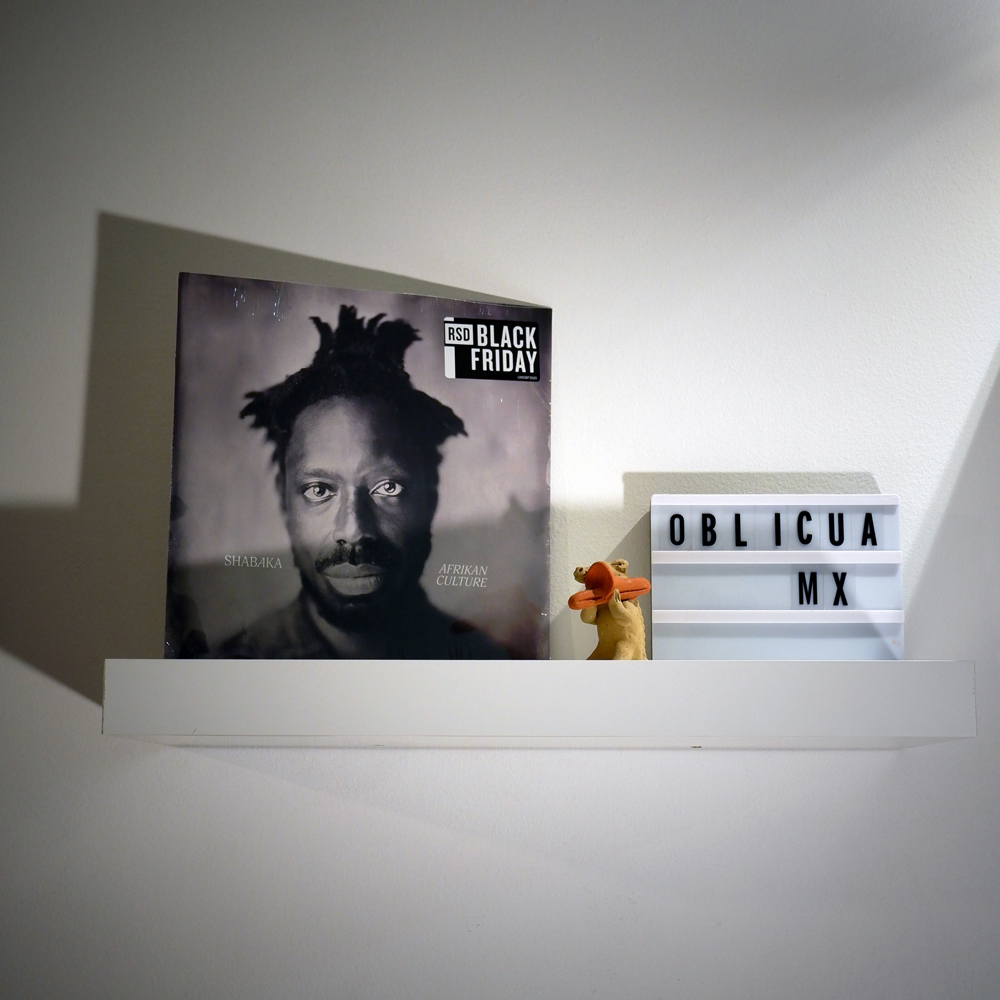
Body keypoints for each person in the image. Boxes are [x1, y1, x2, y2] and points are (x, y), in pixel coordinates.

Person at [215, 305, 507, 659]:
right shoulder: (224, 671)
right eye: (319, 490)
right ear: (284, 500)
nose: (353, 530)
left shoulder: (491, 665)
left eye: (388, 487)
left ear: (430, 495)